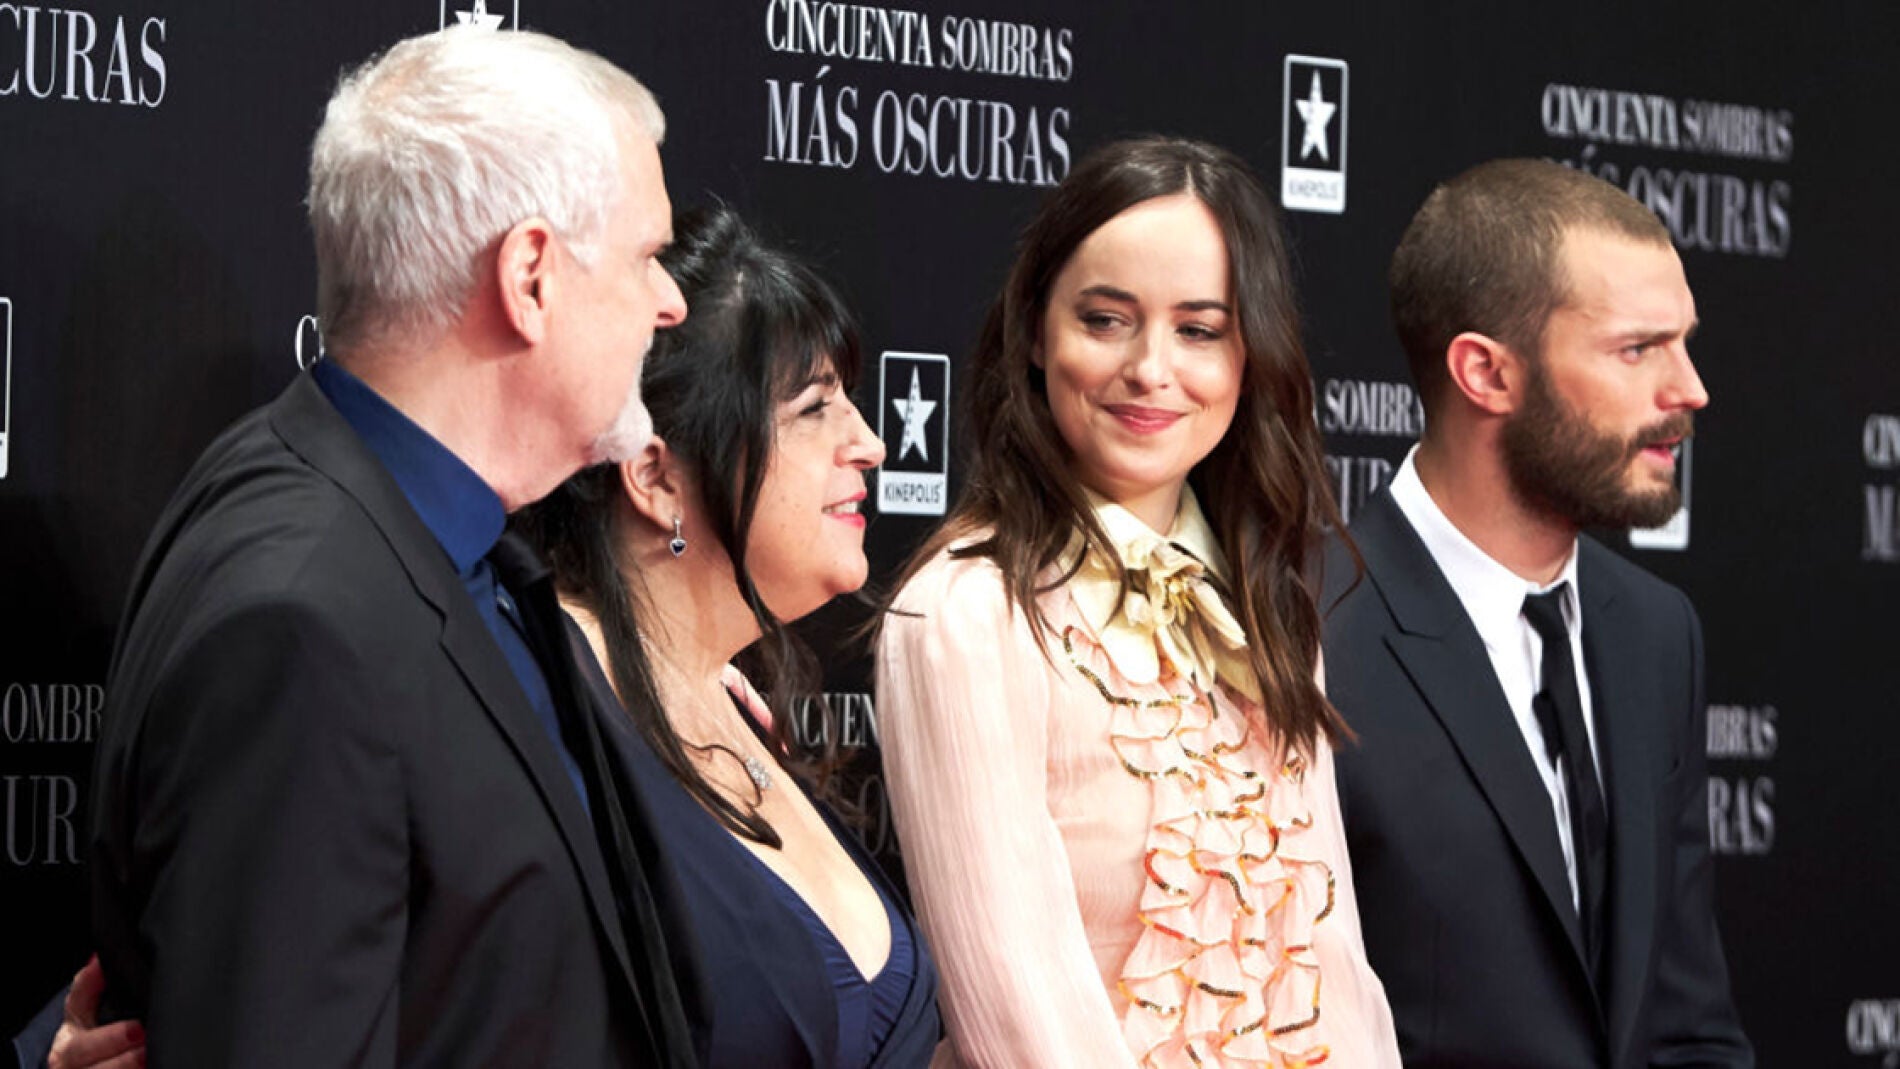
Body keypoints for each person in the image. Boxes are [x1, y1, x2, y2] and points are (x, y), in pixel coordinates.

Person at [86, 26, 693, 1067]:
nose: (671, 301)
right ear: (531, 277)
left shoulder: (444, 541)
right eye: (647, 256)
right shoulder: (300, 623)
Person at [876, 136, 1399, 1068]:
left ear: (1251, 357)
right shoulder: (965, 614)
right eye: (1107, 319)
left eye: (1198, 330)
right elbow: (1019, 1012)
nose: (1152, 368)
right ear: (1036, 332)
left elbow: (1336, 973)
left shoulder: (1266, 616)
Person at [1320, 158, 1752, 1066]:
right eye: (1639, 349)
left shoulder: (1655, 630)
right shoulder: (1303, 630)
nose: (1691, 388)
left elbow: (1686, 1017)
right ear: (1486, 372)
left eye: (1685, 342)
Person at [513, 204, 941, 1067]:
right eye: (817, 407)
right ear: (655, 475)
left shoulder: (731, 701)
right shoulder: (541, 707)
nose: (871, 441)